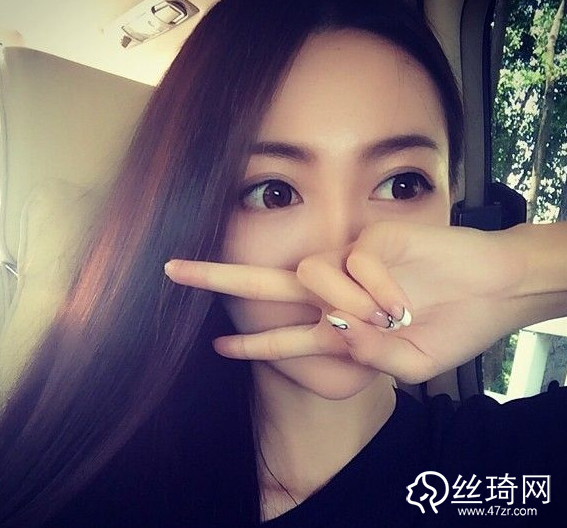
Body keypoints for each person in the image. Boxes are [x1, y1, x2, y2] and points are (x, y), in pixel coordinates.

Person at [0, 0, 565, 527]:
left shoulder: (512, 478)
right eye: (274, 193)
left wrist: (516, 271)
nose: (346, 261)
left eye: (402, 185)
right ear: (198, 218)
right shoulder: (83, 480)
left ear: (450, 201)